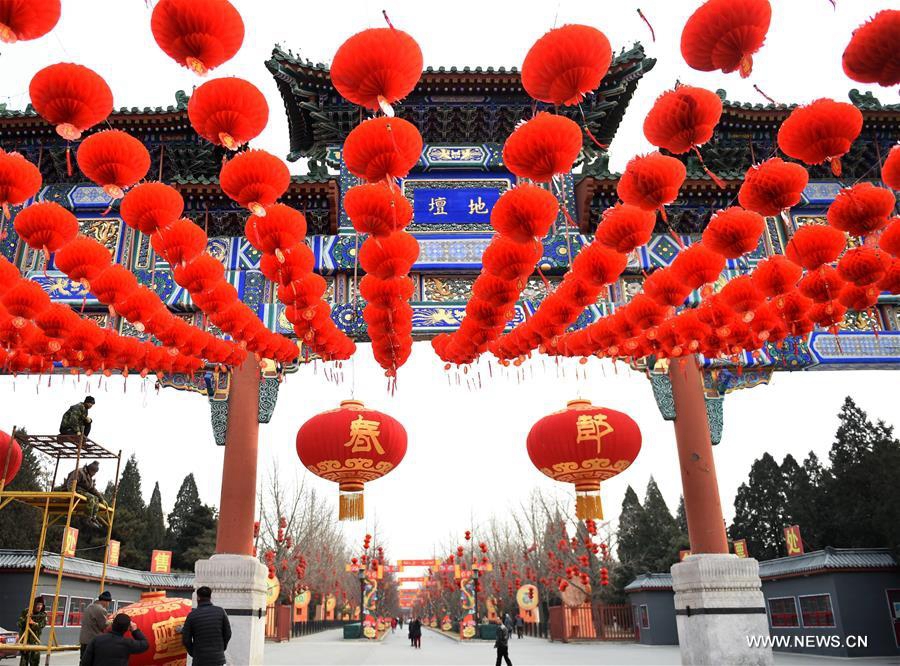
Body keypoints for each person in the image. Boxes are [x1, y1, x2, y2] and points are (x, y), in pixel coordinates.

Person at [182, 586, 231, 666]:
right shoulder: (220, 611)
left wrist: (194, 653)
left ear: (198, 598)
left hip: (199, 661)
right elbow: (228, 633)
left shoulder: (192, 615)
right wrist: (221, 648)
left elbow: (186, 639)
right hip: (218, 660)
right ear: (210, 597)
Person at [80, 613, 148, 666]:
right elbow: (145, 644)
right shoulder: (128, 643)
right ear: (128, 628)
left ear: (112, 624)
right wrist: (135, 631)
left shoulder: (96, 640)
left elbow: (85, 662)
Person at [57, 461, 104, 528]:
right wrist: (72, 493)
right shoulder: (79, 472)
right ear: (91, 470)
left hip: (81, 491)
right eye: (94, 472)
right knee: (91, 498)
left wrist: (101, 499)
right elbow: (70, 483)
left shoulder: (89, 477)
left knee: (96, 499)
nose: (94, 474)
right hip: (73, 490)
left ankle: (93, 518)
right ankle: (87, 518)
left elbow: (92, 489)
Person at [78, 591, 111, 659]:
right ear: (105, 601)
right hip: (93, 641)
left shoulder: (89, 607)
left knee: (84, 660)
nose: (108, 604)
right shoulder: (101, 610)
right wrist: (111, 622)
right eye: (109, 602)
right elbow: (103, 626)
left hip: (83, 640)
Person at [16, 596, 47, 666]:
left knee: (35, 661)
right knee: (24, 661)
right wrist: (26, 619)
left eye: (41, 605)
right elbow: (19, 624)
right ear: (34, 604)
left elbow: (41, 626)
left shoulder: (43, 615)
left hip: (35, 641)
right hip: (25, 640)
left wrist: (33, 623)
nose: (39, 606)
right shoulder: (26, 611)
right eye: (37, 604)